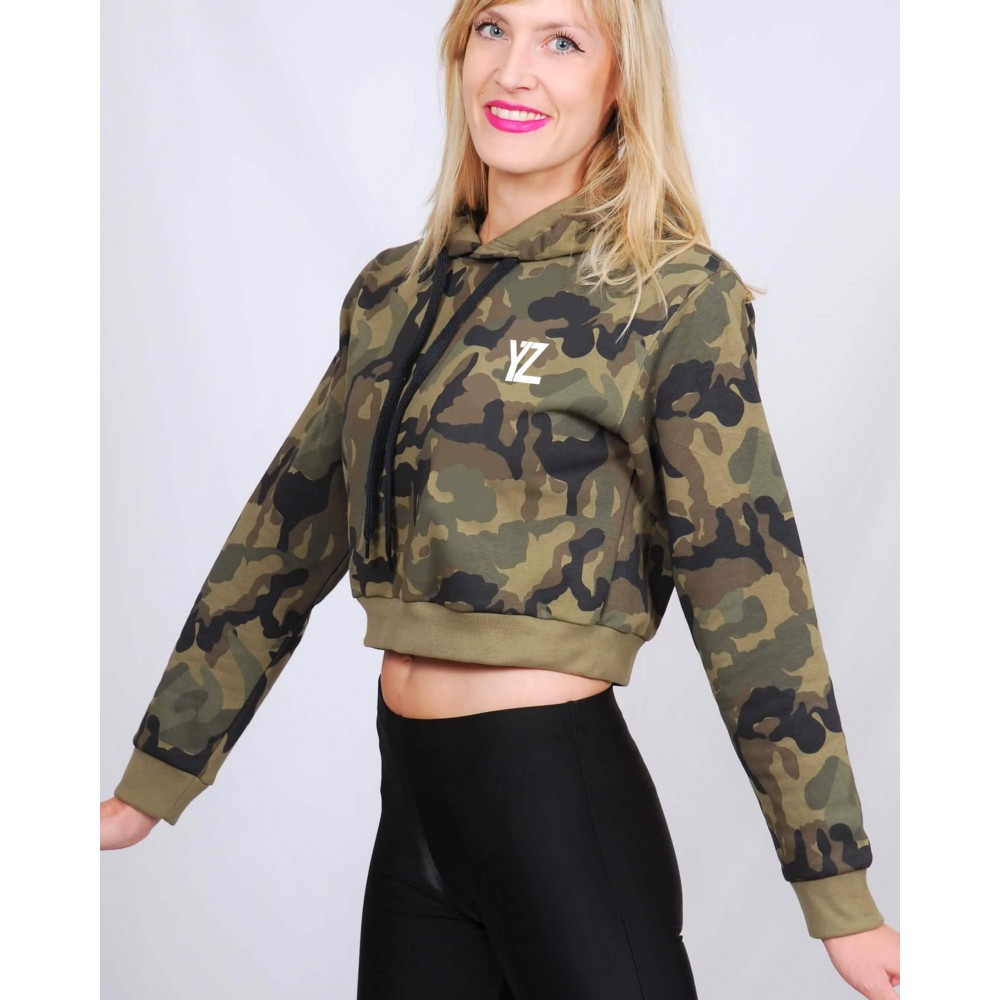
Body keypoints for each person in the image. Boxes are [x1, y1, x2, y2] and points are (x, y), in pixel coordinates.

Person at [101, 0, 900, 996]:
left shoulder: (670, 296)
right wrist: (156, 777)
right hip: (414, 811)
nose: (513, 69)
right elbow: (283, 534)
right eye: (492, 28)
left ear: (619, 81)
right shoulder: (392, 292)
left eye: (561, 41)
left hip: (555, 804)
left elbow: (750, 591)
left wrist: (834, 884)